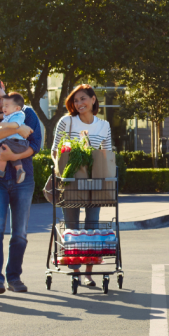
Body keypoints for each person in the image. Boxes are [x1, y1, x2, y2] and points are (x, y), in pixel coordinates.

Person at [0, 73, 43, 296]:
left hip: (23, 179)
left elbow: (35, 143)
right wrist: (17, 129)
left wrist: (13, 157)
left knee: (20, 232)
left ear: (2, 86)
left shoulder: (27, 112)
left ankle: (14, 277)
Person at [52, 84, 114, 289]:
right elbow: (55, 150)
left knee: (92, 225)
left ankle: (89, 272)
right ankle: (75, 270)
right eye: (75, 100)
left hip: (95, 181)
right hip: (71, 180)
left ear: (93, 99)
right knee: (71, 225)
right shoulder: (66, 121)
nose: (79, 104)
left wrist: (108, 179)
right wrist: (61, 172)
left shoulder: (103, 125)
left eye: (83, 99)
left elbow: (106, 154)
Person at [0, 93, 29, 184]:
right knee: (13, 156)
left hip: (16, 141)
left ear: (17, 108)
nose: (3, 108)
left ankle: (0, 170)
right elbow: (3, 116)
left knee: (3, 153)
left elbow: (16, 124)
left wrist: (6, 125)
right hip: (16, 143)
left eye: (6, 106)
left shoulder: (19, 115)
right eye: (3, 105)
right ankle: (20, 170)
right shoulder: (10, 114)